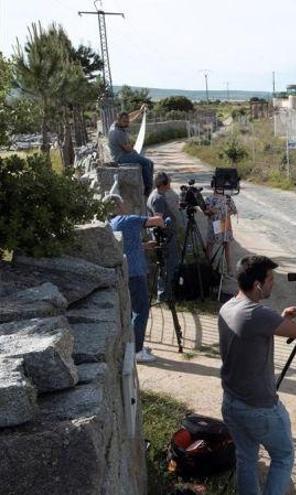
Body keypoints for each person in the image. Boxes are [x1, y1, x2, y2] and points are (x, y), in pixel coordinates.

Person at [219, 255, 296, 495]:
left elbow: (249, 335)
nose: (273, 283)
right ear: (258, 284)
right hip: (259, 408)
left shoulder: (229, 307)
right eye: (270, 279)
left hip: (231, 402)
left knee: (247, 458)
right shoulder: (257, 314)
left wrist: (281, 320)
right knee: (283, 456)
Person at [107, 193, 166, 363]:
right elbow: (156, 221)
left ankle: (133, 345)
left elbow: (125, 243)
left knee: (133, 311)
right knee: (141, 311)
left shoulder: (111, 224)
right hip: (136, 273)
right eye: (123, 203)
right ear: (118, 206)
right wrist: (161, 216)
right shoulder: (128, 219)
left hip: (126, 272)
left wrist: (145, 246)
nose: (125, 205)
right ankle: (137, 351)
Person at [147, 172, 180, 302]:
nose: (170, 186)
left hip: (163, 237)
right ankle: (165, 295)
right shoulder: (158, 199)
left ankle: (165, 294)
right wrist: (168, 228)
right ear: (164, 184)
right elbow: (158, 219)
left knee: (165, 265)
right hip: (165, 238)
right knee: (168, 265)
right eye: (169, 183)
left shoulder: (154, 195)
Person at [108, 104, 153, 196]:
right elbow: (128, 149)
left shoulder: (115, 125)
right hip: (121, 158)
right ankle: (148, 189)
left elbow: (130, 116)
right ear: (119, 120)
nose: (127, 122)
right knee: (147, 163)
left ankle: (148, 184)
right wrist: (135, 153)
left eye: (127, 120)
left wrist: (140, 111)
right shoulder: (118, 133)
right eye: (125, 121)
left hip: (119, 155)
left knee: (149, 163)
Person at [205, 187, 238, 274]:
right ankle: (208, 267)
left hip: (223, 222)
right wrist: (212, 211)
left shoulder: (227, 198)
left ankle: (229, 268)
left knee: (226, 245)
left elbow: (234, 210)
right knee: (210, 244)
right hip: (213, 223)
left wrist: (226, 214)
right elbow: (206, 212)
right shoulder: (209, 198)